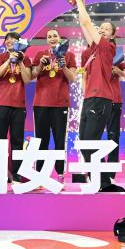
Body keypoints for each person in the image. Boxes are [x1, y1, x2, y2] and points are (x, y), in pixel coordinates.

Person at [72, 0, 119, 189]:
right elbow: (84, 25)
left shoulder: (108, 48)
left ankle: (103, 182)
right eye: (101, 27)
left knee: (90, 142)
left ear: (112, 35)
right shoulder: (93, 49)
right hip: (89, 99)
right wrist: (81, 2)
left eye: (107, 29)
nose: (102, 29)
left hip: (101, 99)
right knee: (84, 142)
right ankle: (102, 180)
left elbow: (86, 23)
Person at [30, 29, 77, 183]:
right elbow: (31, 76)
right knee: (41, 140)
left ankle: (60, 174)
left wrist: (63, 66)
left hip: (60, 103)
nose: (52, 38)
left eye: (55, 36)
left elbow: (73, 78)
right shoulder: (40, 55)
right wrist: (40, 66)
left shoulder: (68, 55)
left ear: (59, 38)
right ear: (46, 40)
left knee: (59, 140)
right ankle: (39, 175)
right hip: (41, 103)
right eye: (49, 36)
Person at [0, 31, 32, 182]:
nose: (10, 41)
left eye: (13, 39)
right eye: (7, 39)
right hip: (0, 104)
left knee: (17, 142)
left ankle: (16, 174)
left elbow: (27, 80)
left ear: (19, 43)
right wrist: (9, 60)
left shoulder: (25, 59)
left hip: (18, 105)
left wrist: (20, 61)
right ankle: (0, 173)